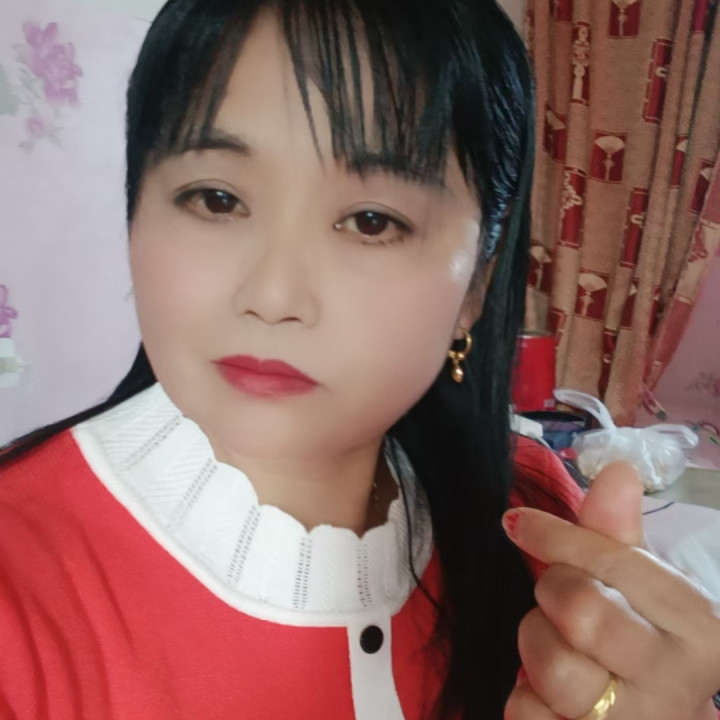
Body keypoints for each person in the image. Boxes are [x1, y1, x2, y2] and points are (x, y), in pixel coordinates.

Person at [1, 0, 719, 718]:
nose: (273, 296)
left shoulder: (534, 517)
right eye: (216, 199)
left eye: (371, 221)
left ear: (477, 283)